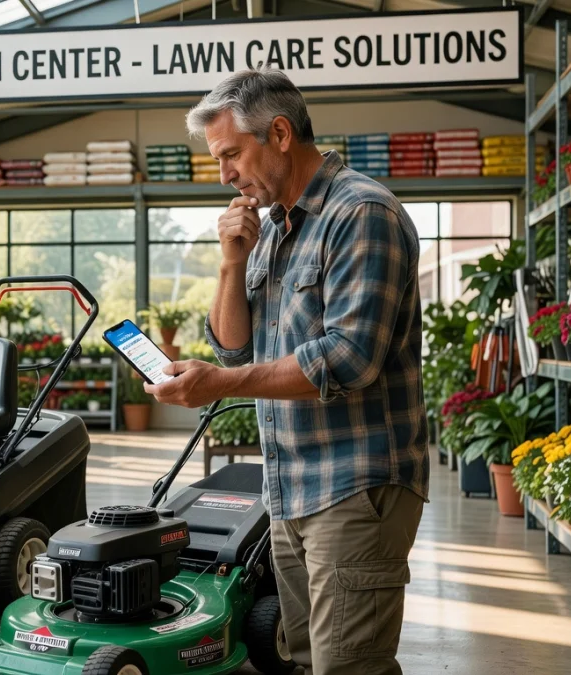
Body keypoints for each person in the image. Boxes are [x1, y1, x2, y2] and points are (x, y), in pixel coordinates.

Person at [144, 69, 429, 675]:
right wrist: (229, 263)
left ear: (278, 133)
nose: (224, 176)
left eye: (229, 155)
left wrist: (221, 387)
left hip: (357, 485)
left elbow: (348, 358)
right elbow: (232, 350)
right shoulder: (273, 227)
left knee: (348, 665)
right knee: (303, 660)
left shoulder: (361, 213)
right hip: (290, 486)